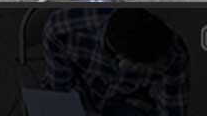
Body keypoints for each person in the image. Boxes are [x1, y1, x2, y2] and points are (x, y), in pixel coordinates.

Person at [41, 7, 189, 116]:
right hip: (82, 93)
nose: (160, 67)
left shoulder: (173, 53)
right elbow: (59, 89)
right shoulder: (62, 28)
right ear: (123, 62)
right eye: (153, 67)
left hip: (130, 103)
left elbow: (172, 109)